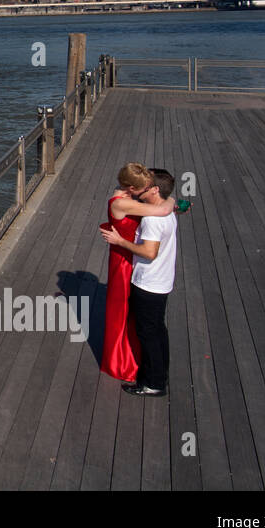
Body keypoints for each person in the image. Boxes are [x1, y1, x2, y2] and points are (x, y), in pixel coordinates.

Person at [100, 168, 179, 396]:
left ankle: (153, 381)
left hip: (143, 273)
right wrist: (171, 199)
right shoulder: (157, 211)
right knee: (153, 327)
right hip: (137, 268)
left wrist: (118, 240)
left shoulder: (154, 218)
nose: (143, 189)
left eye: (148, 186)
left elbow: (149, 252)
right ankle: (153, 372)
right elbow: (163, 206)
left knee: (148, 330)